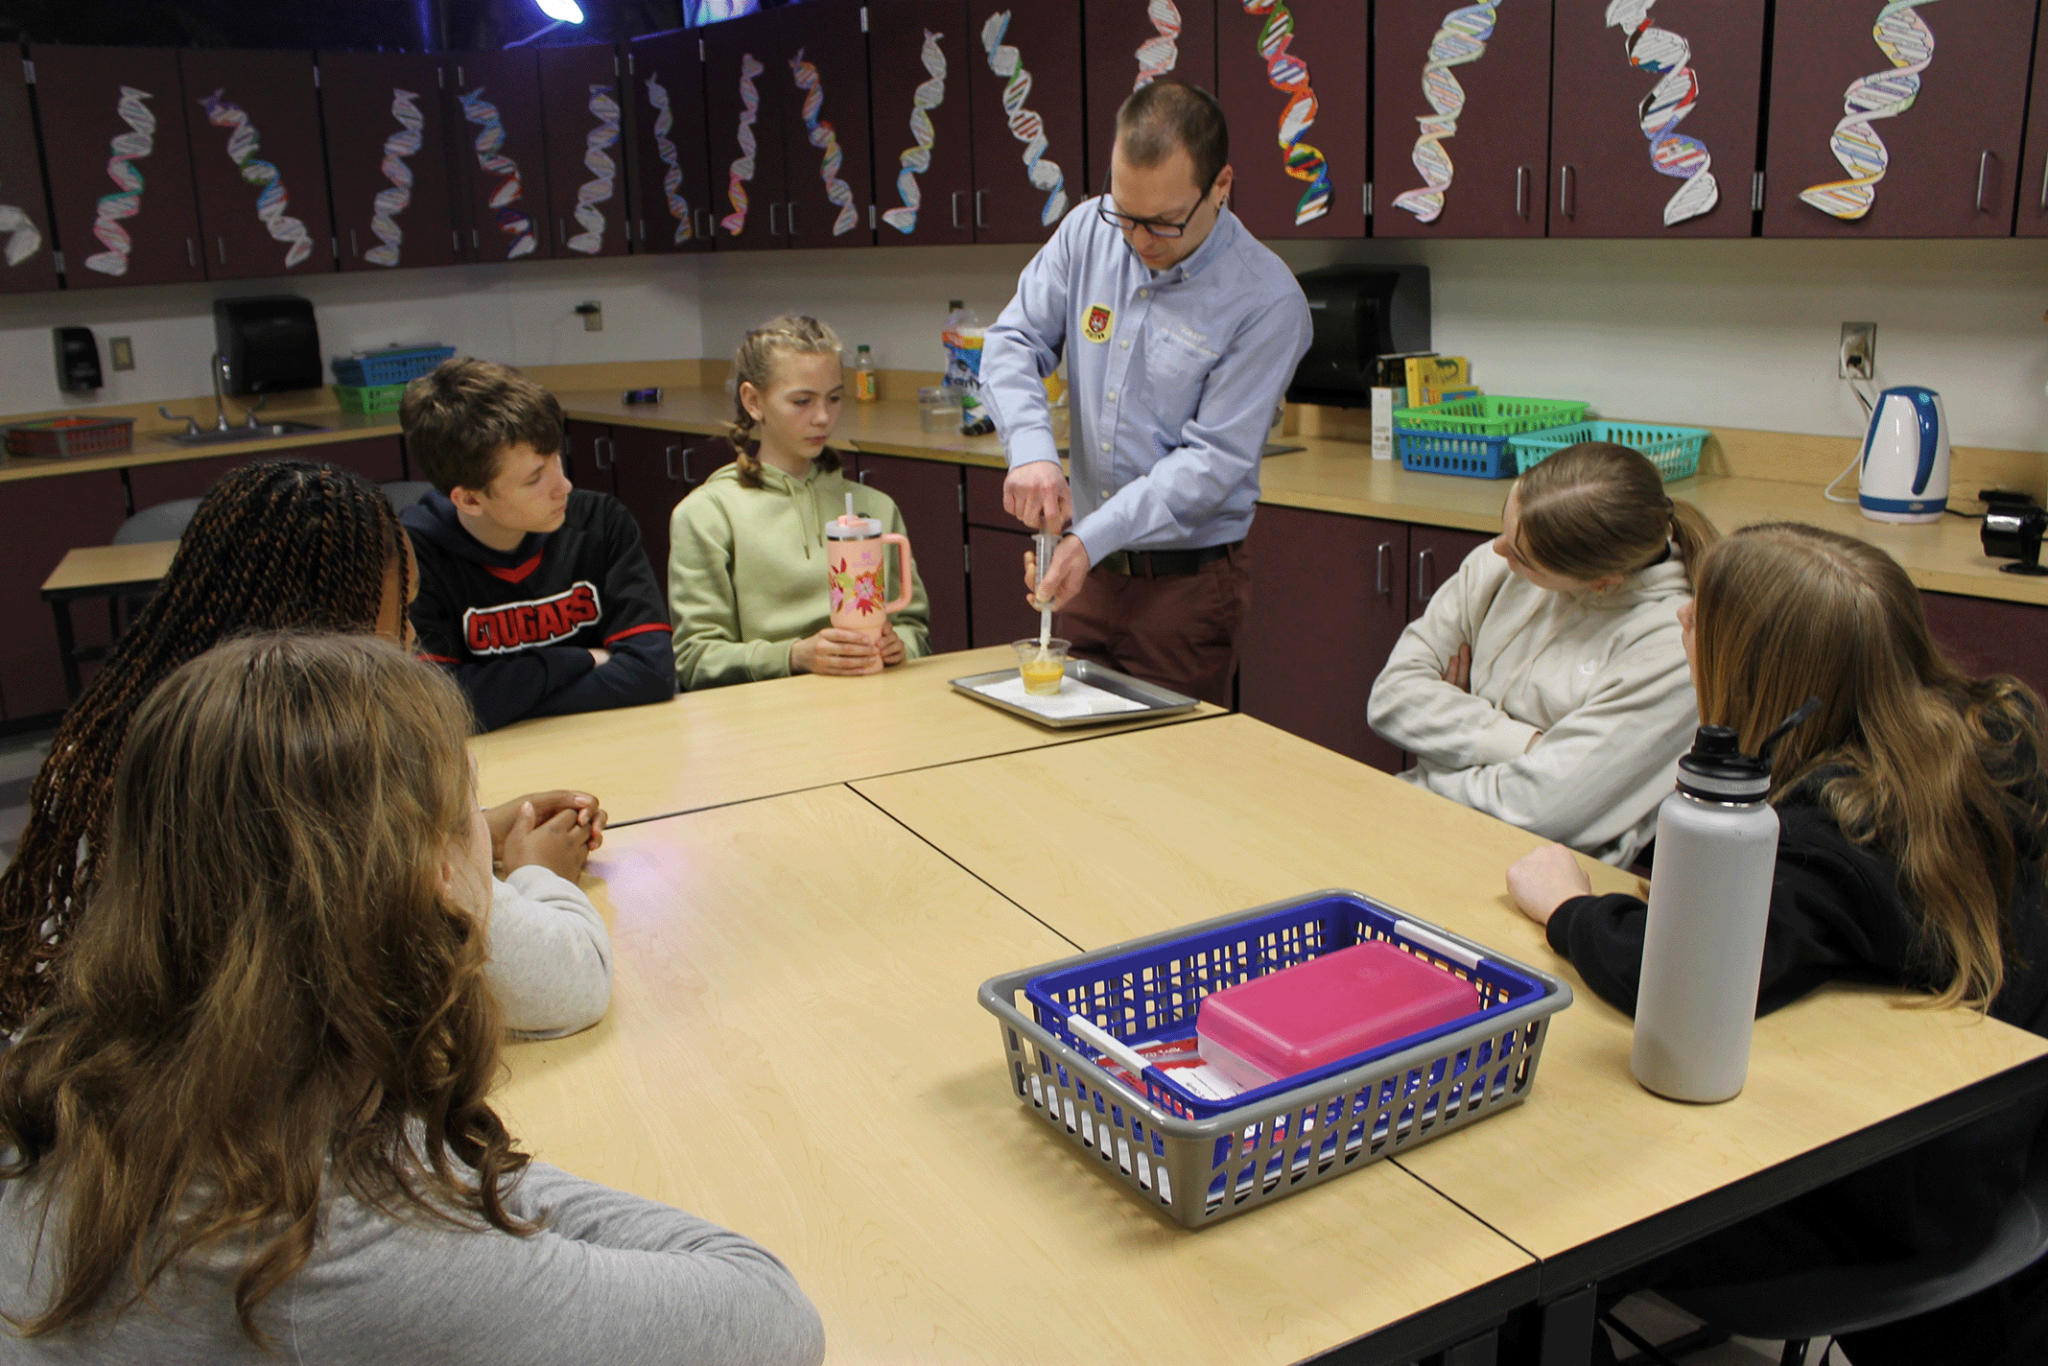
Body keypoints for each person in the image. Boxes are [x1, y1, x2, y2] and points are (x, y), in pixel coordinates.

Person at [0, 633, 827, 1364]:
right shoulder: (332, 1257)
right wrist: (460, 1169)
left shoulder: (52, 1075)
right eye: (468, 801)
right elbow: (766, 1315)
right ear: (430, 871)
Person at [1506, 523, 2048, 1366]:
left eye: (1705, 619)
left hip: (1882, 1201)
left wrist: (1568, 912)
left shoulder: (1831, 840)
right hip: (1986, 1160)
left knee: (1542, 1220)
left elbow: (1670, 973)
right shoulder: (1984, 747)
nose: (1684, 617)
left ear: (1764, 672)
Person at [0, 460, 612, 1040]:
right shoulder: (341, 766)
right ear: (323, 635)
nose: (411, 645)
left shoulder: (130, 732)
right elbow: (562, 984)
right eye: (399, 620)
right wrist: (538, 872)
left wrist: (472, 829)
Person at [978, 78, 1311, 707]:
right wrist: (1032, 452)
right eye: (1124, 214)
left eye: (1162, 222)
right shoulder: (1087, 233)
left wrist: (1089, 537)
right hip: (1083, 575)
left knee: (1159, 788)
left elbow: (1211, 463)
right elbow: (1012, 340)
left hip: (1183, 592)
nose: (1138, 240)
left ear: (1221, 186)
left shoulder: (1266, 301)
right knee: (1062, 770)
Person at [1368, 443, 1718, 866]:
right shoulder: (1496, 568)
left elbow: (1540, 809)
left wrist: (1443, 743)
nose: (1496, 550)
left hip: (1539, 869)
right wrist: (1530, 745)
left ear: (1602, 582)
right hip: (1425, 821)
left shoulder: (1669, 649)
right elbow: (1391, 698)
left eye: (1521, 556)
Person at [400, 357, 676, 731]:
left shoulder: (601, 522)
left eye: (555, 459)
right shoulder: (415, 557)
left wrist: (501, 698)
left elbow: (652, 673)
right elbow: (436, 706)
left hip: (606, 743)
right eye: (534, 479)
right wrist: (574, 660)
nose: (563, 486)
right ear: (470, 500)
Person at [669, 315, 932, 689]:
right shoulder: (708, 514)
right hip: (766, 720)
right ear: (754, 401)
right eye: (802, 401)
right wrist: (794, 656)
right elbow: (695, 660)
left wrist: (900, 645)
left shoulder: (875, 509)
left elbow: (915, 628)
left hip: (871, 707)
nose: (823, 417)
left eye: (834, 398)